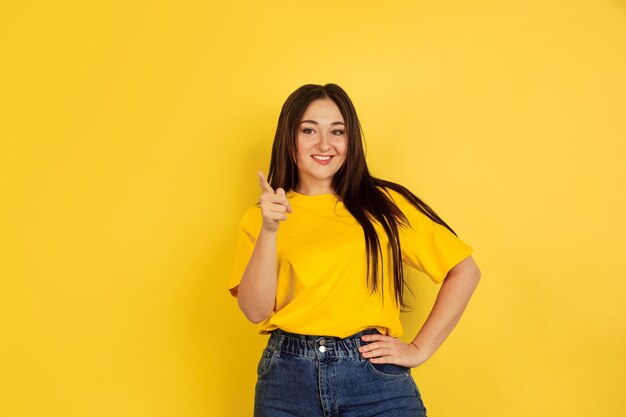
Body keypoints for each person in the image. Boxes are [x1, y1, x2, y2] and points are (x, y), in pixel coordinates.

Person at [228, 83, 481, 417]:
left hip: (373, 379)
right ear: (289, 139)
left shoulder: (384, 206)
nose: (324, 144)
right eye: (308, 130)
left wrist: (419, 349)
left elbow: (465, 270)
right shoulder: (262, 216)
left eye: (337, 131)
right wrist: (270, 230)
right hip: (287, 380)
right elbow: (255, 311)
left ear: (351, 141)